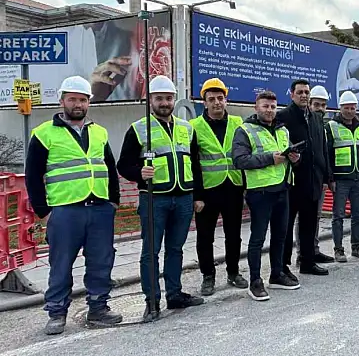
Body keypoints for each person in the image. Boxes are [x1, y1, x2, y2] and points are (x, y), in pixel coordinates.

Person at [25, 76, 122, 335]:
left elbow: (109, 167)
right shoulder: (44, 133)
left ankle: (99, 307)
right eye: (72, 99)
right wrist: (44, 213)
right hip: (65, 210)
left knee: (101, 261)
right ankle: (57, 312)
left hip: (99, 207)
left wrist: (113, 201)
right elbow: (32, 176)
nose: (77, 104)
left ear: (89, 102)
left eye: (82, 100)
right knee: (61, 264)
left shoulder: (99, 132)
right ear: (62, 101)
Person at [117, 75, 204, 321]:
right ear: (150, 100)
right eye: (159, 98)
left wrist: (198, 196)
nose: (164, 103)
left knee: (175, 249)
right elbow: (123, 164)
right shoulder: (138, 129)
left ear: (174, 99)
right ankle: (152, 302)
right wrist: (139, 174)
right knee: (151, 252)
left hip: (184, 198)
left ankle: (174, 295)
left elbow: (195, 165)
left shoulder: (187, 128)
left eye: (168, 98)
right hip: (154, 199)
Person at [231, 90, 301, 301]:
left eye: (272, 107)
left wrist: (295, 158)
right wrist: (270, 158)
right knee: (258, 239)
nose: (269, 110)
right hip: (260, 192)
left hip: (282, 189)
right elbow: (240, 160)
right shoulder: (244, 130)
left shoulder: (282, 130)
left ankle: (276, 274)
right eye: (265, 106)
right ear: (256, 107)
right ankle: (255, 281)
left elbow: (287, 157)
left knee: (280, 235)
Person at [190, 78, 248, 296]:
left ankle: (233, 272)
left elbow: (245, 154)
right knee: (205, 236)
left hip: (233, 186)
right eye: (212, 99)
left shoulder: (237, 123)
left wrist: (246, 186)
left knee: (234, 234)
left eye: (220, 98)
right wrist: (197, 195)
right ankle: (208, 276)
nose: (216, 102)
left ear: (226, 100)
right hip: (208, 190)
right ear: (204, 102)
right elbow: (193, 163)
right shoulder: (194, 126)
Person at [276, 79, 332, 277]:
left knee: (309, 224)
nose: (304, 95)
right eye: (299, 92)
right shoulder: (283, 116)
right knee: (286, 226)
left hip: (313, 180)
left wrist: (326, 176)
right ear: (292, 94)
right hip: (292, 181)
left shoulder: (316, 118)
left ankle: (308, 262)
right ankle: (282, 266)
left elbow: (322, 148)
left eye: (306, 92)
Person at [327, 91, 359, 261]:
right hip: (340, 180)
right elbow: (327, 154)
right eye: (346, 108)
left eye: (352, 108)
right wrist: (330, 179)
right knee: (338, 216)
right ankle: (338, 250)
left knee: (358, 215)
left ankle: (356, 247)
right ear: (340, 108)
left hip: (358, 179)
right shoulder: (331, 126)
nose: (350, 111)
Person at [295, 85, 335, 267]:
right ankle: (302, 254)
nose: (320, 108)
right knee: (304, 218)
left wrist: (327, 179)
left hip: (319, 180)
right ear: (309, 104)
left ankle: (314, 250)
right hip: (304, 180)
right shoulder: (304, 123)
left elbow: (324, 154)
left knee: (316, 217)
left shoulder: (322, 125)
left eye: (323, 105)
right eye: (317, 104)